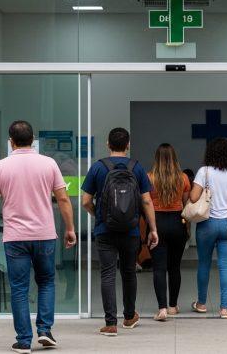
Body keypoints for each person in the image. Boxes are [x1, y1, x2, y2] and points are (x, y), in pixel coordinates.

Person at [0, 121, 77, 354]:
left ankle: (24, 341)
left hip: (15, 237)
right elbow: (63, 199)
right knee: (46, 282)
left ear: (10, 141)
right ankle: (44, 331)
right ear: (33, 140)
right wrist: (70, 228)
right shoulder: (49, 163)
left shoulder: (1, 166)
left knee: (20, 288)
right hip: (44, 234)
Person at [82, 127, 159, 336]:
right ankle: (129, 316)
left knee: (107, 273)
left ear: (108, 144)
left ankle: (110, 323)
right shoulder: (137, 168)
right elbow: (146, 200)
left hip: (104, 230)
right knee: (128, 272)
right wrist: (152, 229)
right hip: (131, 230)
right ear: (128, 145)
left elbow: (86, 201)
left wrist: (98, 215)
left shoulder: (98, 168)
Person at [190, 138, 227, 319]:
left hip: (208, 223)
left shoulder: (204, 172)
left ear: (210, 153)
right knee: (225, 266)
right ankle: (224, 309)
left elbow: (193, 197)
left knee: (204, 263)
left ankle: (201, 303)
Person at [147, 143, 191, 321]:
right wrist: (187, 229)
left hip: (156, 222)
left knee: (159, 267)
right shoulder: (183, 178)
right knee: (174, 267)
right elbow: (187, 205)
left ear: (156, 158)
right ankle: (173, 306)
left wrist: (151, 228)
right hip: (177, 223)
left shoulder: (149, 178)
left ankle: (162, 309)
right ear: (174, 158)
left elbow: (146, 204)